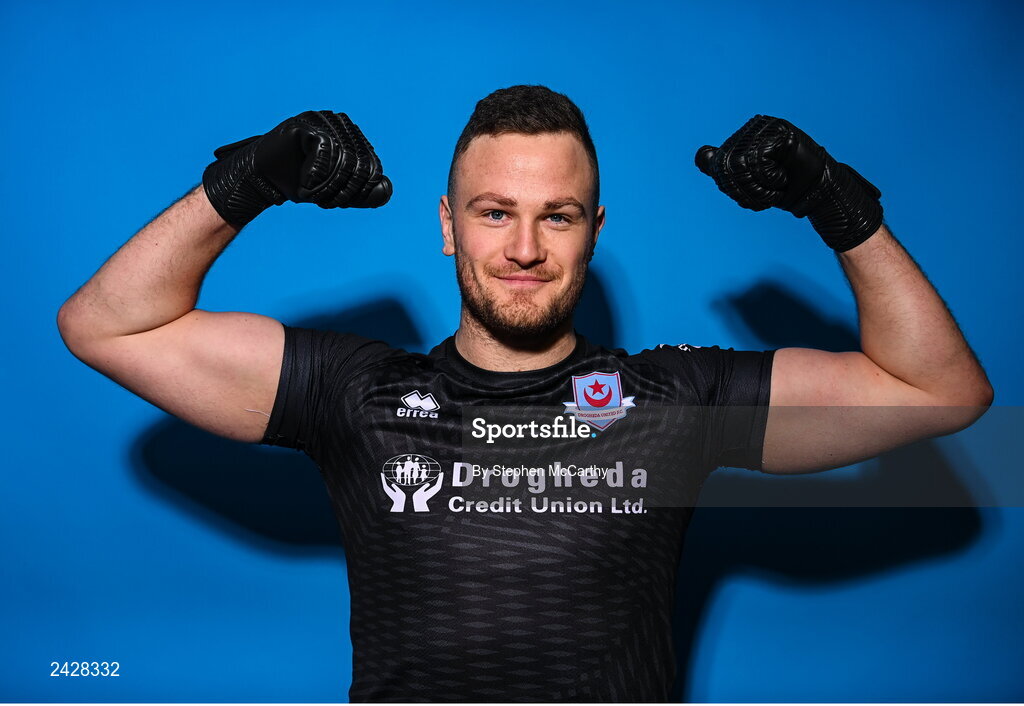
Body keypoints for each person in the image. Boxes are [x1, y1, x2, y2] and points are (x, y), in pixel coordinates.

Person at [56, 85, 993, 702]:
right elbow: (107, 323)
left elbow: (937, 390)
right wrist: (249, 179)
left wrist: (839, 205)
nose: (525, 249)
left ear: (593, 232)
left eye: (559, 216)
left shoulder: (670, 397)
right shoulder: (357, 391)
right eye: (494, 212)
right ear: (448, 229)